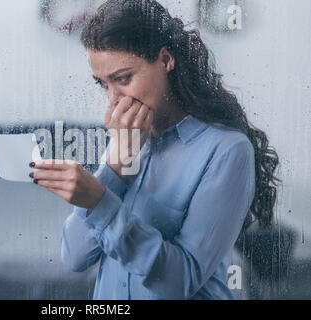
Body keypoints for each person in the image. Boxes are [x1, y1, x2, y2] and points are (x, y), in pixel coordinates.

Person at [28, 0, 281, 299]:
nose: (113, 100)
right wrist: (114, 168)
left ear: (165, 59)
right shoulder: (125, 139)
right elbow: (75, 257)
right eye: (103, 84)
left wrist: (99, 201)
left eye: (123, 79)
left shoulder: (226, 150)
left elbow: (180, 281)